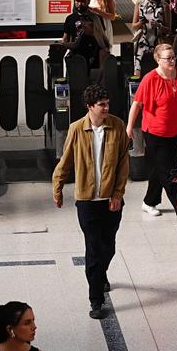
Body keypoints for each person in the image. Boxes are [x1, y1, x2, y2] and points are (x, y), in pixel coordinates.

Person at [52, 83, 130, 318]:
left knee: (108, 246)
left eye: (108, 103)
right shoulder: (76, 129)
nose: (106, 108)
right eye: (101, 105)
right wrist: (57, 188)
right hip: (87, 201)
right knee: (94, 249)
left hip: (110, 200)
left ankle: (101, 274)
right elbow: (65, 162)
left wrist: (117, 194)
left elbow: (123, 164)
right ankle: (96, 299)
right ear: (89, 107)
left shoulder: (117, 126)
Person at [127, 42, 177, 222]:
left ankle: (149, 201)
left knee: (159, 168)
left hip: (174, 131)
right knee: (168, 171)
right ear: (158, 59)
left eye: (174, 57)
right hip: (154, 132)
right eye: (168, 58)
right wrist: (129, 127)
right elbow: (137, 104)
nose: (172, 61)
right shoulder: (150, 79)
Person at [130, 0, 172, 73]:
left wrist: (159, 26)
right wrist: (141, 23)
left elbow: (169, 30)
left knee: (158, 73)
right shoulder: (140, 3)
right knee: (138, 71)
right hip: (143, 42)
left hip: (158, 43)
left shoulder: (164, 6)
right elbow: (133, 25)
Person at [60, 0, 103, 69]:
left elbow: (102, 41)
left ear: (88, 1)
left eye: (83, 1)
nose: (79, 4)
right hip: (75, 58)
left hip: (92, 58)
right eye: (77, 1)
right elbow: (65, 38)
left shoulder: (96, 18)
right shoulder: (70, 18)